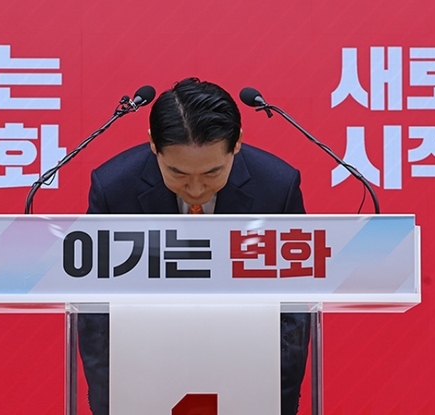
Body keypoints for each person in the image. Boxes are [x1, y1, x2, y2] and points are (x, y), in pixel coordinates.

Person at [79, 77, 310, 415]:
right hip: (144, 366)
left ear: (237, 144)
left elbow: (293, 311)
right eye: (178, 174)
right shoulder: (114, 189)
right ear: (153, 144)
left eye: (212, 173)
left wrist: (280, 401)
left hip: (247, 365)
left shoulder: (277, 187)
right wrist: (108, 402)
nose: (197, 189)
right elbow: (95, 313)